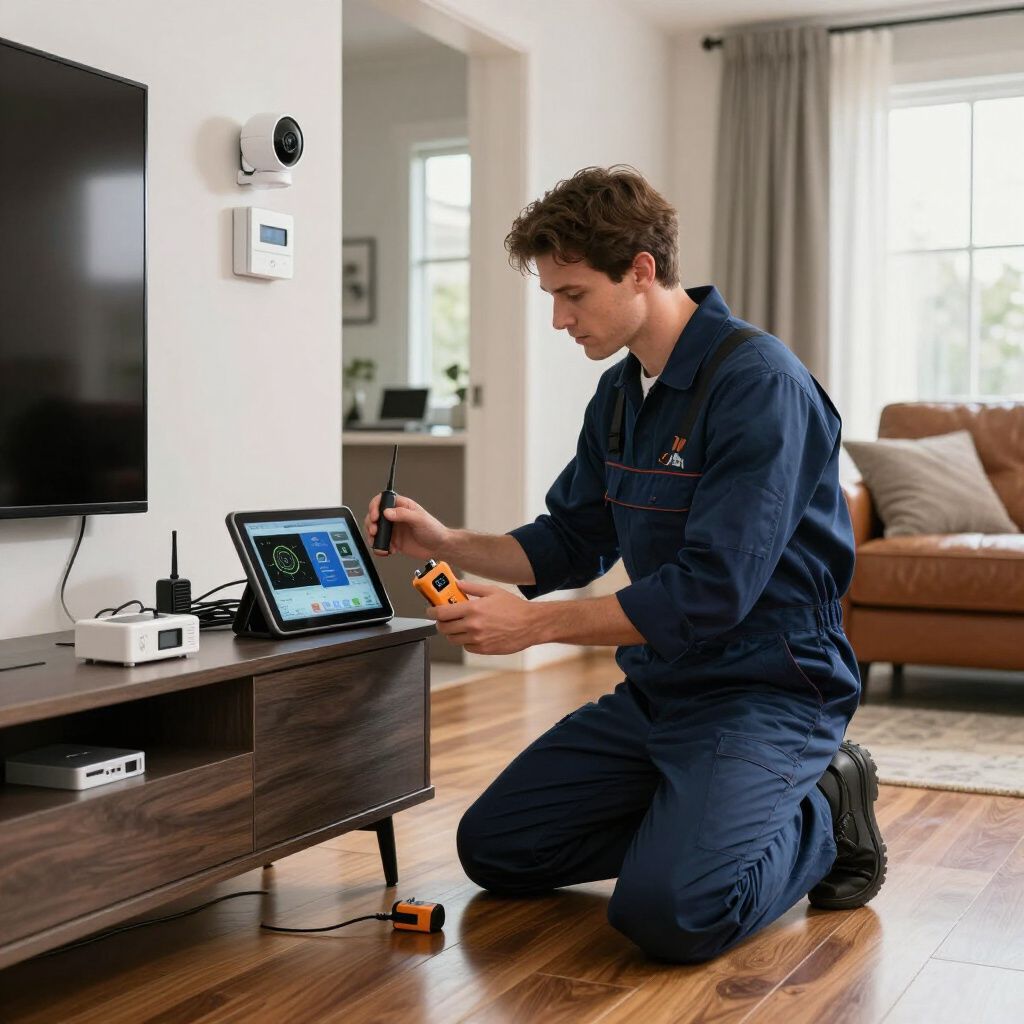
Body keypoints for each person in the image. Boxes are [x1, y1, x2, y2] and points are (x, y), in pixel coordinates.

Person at [364, 166, 886, 964]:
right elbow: (566, 543)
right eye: (551, 295)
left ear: (641, 270)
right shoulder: (619, 397)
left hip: (771, 688)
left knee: (673, 914)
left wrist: (533, 626)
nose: (558, 318)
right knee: (497, 850)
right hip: (665, 687)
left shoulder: (759, 384)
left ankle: (822, 807)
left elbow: (714, 590)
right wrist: (443, 541)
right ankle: (701, 815)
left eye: (571, 294)